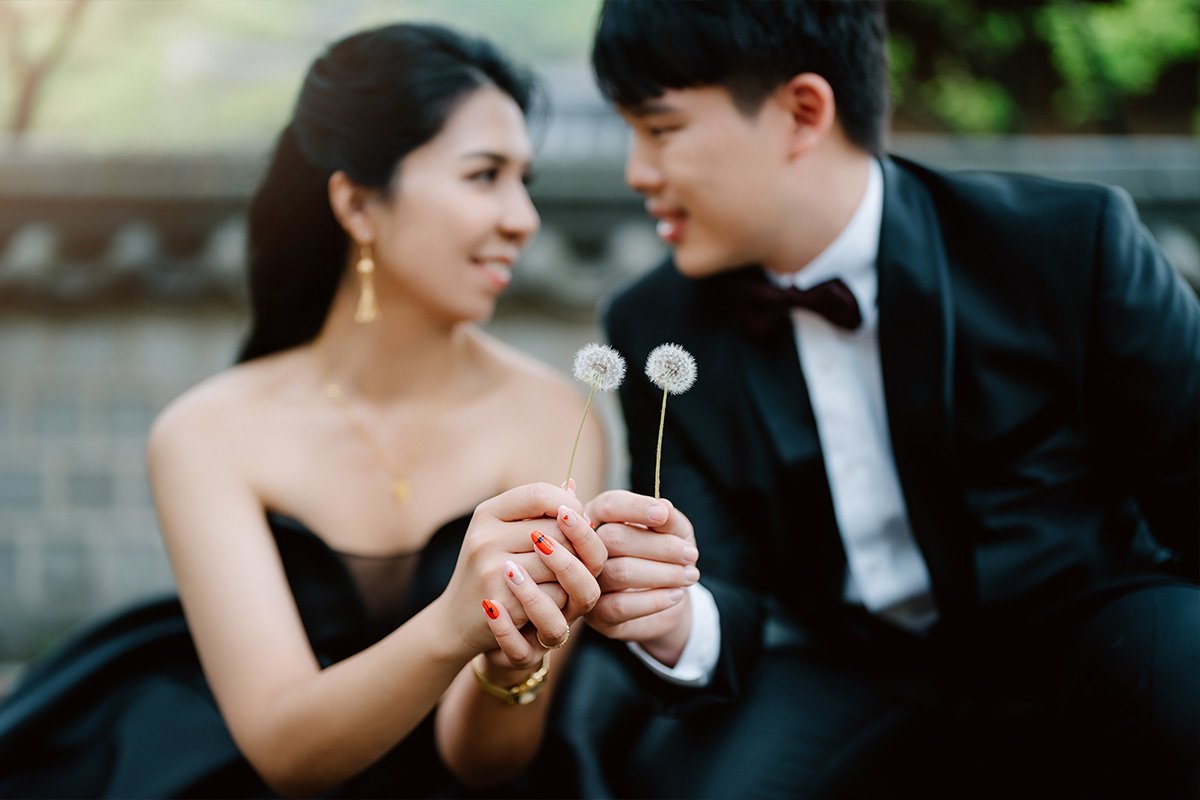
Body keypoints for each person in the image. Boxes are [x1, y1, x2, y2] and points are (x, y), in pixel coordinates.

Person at [558, 1, 1200, 798]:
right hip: (843, 660)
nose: (636, 172)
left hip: (1079, 633)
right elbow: (724, 574)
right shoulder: (654, 324)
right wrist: (670, 616)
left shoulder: (1072, 246)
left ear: (802, 113)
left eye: (659, 129)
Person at [0, 23, 608, 799]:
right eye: (484, 175)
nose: (523, 218)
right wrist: (451, 626)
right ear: (356, 202)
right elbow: (284, 751)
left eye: (526, 180)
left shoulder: (556, 413)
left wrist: (506, 666)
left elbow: (485, 762)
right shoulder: (208, 432)